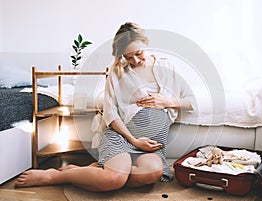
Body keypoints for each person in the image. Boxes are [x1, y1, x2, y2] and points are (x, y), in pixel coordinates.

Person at [15, 22, 196, 192]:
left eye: (138, 53)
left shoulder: (167, 66)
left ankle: (95, 172)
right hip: (123, 137)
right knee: (114, 180)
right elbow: (110, 112)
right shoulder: (117, 72)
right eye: (128, 56)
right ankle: (56, 176)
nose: (134, 60)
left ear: (146, 42)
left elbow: (191, 102)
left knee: (151, 174)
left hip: (151, 144)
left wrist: (166, 102)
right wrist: (134, 140)